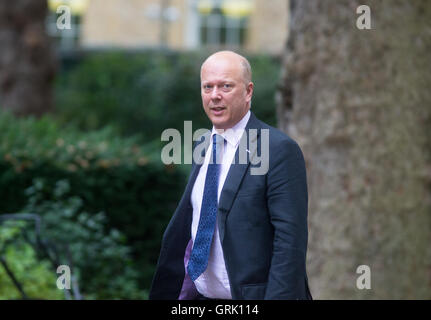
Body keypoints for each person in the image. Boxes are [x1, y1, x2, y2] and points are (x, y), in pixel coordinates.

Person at [149, 51, 312, 300]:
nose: (215, 95)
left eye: (226, 86)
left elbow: (289, 244)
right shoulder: (202, 144)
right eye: (208, 87)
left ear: (248, 92)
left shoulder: (277, 149)